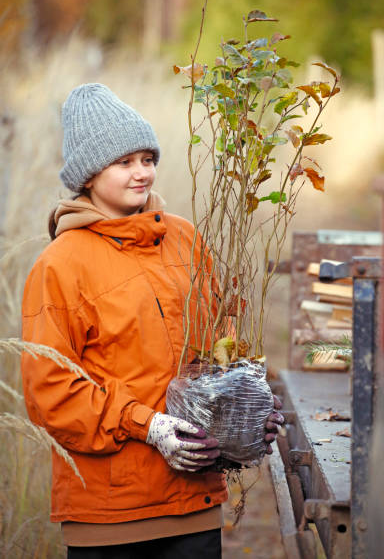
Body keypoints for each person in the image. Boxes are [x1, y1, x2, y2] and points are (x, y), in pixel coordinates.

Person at [21, 83, 283, 558]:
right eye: (124, 163)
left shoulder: (183, 238)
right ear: (87, 175)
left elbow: (221, 340)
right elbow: (51, 390)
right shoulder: (61, 264)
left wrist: (248, 407)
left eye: (147, 158)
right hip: (111, 514)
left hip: (194, 502)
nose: (141, 173)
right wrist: (148, 426)